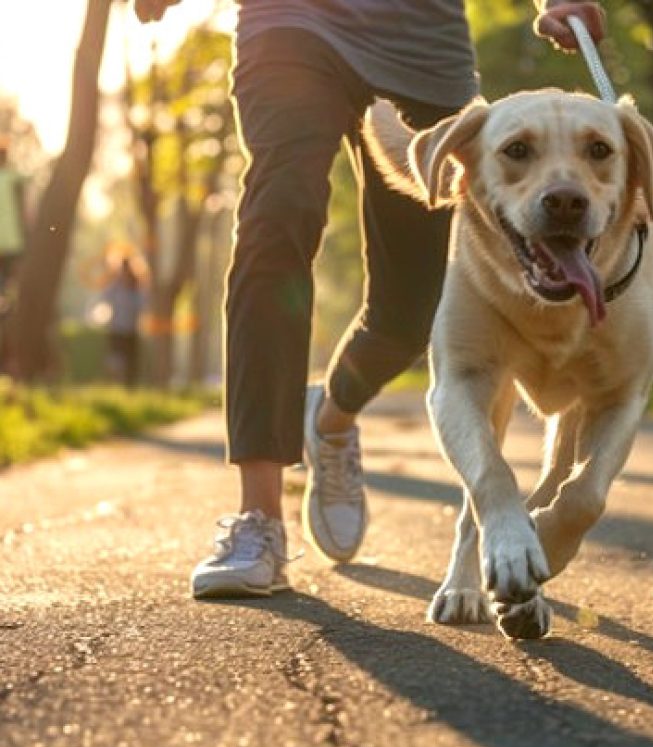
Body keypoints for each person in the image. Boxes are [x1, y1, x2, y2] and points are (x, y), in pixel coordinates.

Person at [133, 0, 605, 598]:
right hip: (290, 24)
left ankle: (329, 421)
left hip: (421, 42)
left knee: (413, 309)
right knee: (275, 226)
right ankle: (260, 521)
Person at [99, 256, 146, 388]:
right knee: (115, 360)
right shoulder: (115, 287)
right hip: (116, 328)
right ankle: (113, 384)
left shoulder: (137, 288)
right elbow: (105, 297)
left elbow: (143, 305)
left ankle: (129, 387)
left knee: (131, 362)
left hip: (131, 330)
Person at [0, 136, 26, 309]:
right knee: (9, 277)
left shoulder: (13, 178)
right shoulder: (14, 178)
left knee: (7, 277)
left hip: (10, 239)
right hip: (12, 240)